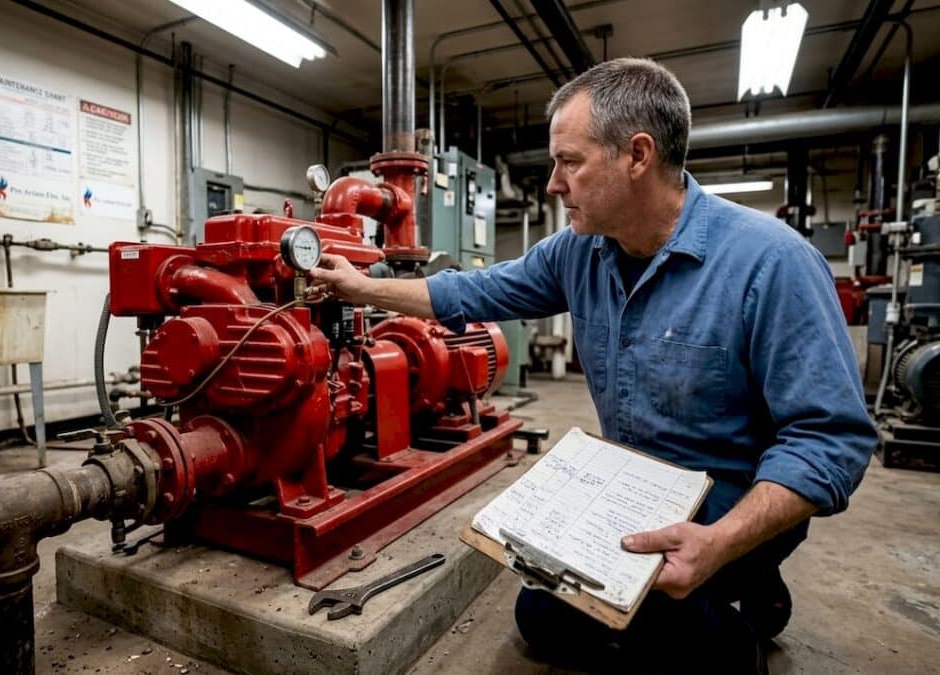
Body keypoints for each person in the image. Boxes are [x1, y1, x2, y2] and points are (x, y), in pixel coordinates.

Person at [309, 58, 876, 673]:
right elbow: (470, 293)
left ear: (638, 156)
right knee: (542, 617)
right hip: (634, 489)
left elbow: (830, 442)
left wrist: (719, 544)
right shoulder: (579, 252)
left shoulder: (772, 263)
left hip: (733, 497)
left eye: (569, 162)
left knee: (670, 634)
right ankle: (729, 593)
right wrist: (360, 289)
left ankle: (741, 607)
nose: (553, 183)